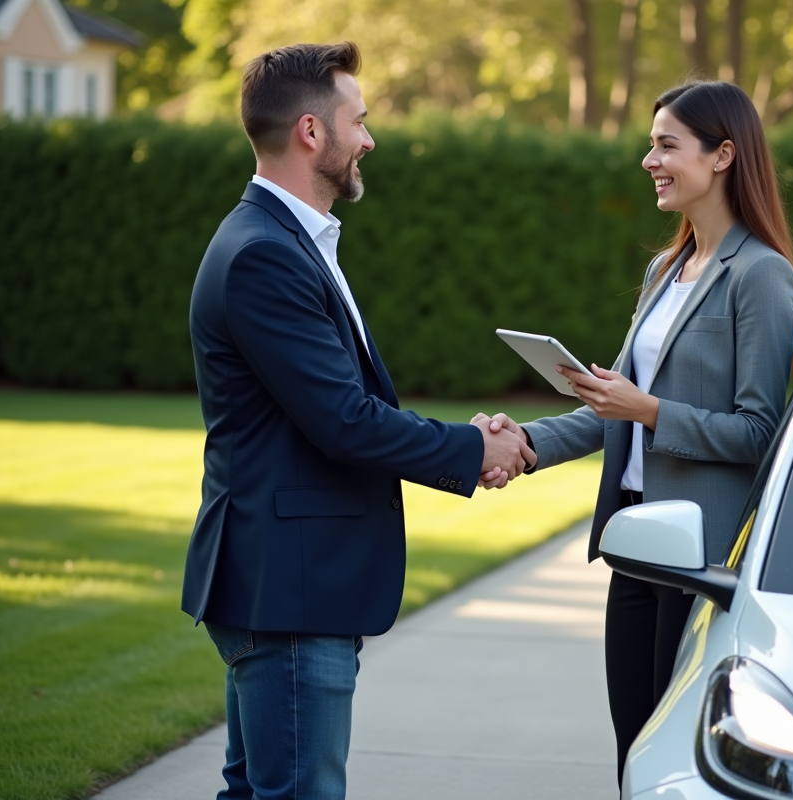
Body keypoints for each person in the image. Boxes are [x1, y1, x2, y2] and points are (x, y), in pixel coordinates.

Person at [181, 41, 534, 800]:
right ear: (313, 132)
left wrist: (467, 441)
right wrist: (474, 448)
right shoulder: (263, 255)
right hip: (290, 588)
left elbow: (343, 408)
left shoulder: (285, 242)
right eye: (359, 120)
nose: (368, 138)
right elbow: (344, 422)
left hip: (286, 581)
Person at [477, 80, 793, 785]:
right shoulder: (664, 269)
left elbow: (760, 433)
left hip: (700, 558)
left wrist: (650, 411)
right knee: (631, 746)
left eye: (666, 145)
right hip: (635, 547)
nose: (648, 160)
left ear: (723, 156)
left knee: (679, 758)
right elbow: (612, 410)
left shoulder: (762, 276)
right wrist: (526, 445)